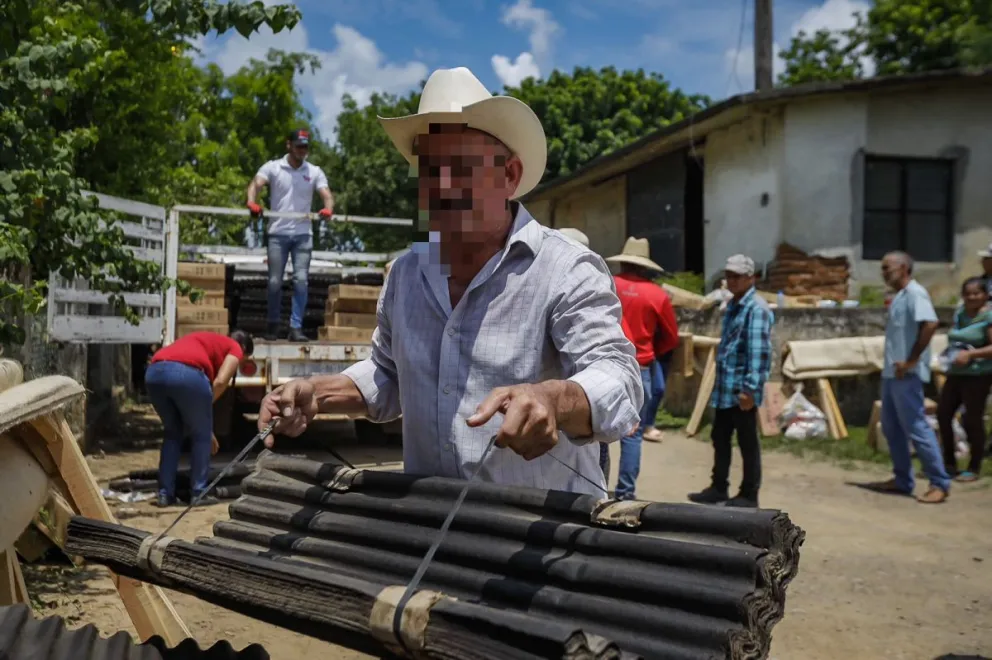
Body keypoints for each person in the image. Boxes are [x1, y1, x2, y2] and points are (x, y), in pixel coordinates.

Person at [255, 67, 643, 496]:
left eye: (461, 166)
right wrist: (319, 392)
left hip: (536, 538)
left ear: (509, 176)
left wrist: (555, 398)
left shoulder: (564, 269)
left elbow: (619, 376)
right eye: (428, 168)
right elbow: (389, 373)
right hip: (430, 527)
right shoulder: (406, 275)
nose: (440, 185)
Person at [688, 254, 773, 508]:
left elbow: (758, 353)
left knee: (747, 442)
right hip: (725, 387)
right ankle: (718, 487)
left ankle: (749, 493)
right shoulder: (734, 305)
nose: (732, 281)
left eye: (737, 276)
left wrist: (751, 388)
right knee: (720, 437)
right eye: (729, 276)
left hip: (741, 389)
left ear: (751, 278)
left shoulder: (756, 308)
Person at [600, 237, 679, 500]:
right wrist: (650, 349)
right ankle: (625, 494)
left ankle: (594, 488)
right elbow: (671, 337)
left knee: (595, 432)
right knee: (632, 435)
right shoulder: (658, 295)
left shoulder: (607, 283)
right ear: (646, 266)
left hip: (600, 367)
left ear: (623, 262)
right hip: (640, 368)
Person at [870, 251, 951, 503]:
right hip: (893, 373)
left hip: (907, 373)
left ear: (904, 268)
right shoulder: (900, 297)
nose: (884, 274)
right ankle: (903, 479)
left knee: (916, 427)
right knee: (892, 428)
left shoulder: (916, 293)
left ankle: (939, 482)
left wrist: (912, 360)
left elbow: (930, 324)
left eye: (888, 269)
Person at [145, 330, 254, 507]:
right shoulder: (235, 347)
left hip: (154, 373)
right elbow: (220, 382)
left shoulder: (206, 339)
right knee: (202, 436)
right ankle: (199, 492)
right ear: (243, 348)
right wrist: (204, 409)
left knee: (173, 433)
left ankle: (165, 494)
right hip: (187, 374)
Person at [246, 129, 335, 342]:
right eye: (299, 146)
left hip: (303, 234)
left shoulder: (314, 171)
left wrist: (328, 208)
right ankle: (273, 325)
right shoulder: (274, 167)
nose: (302, 150)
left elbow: (327, 195)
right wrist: (252, 202)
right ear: (289, 145)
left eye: (305, 146)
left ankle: (296, 328)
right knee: (275, 282)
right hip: (277, 233)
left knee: (301, 280)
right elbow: (255, 184)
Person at [937, 277, 992, 482]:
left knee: (972, 418)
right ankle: (949, 462)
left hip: (978, 375)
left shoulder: (988, 317)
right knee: (943, 414)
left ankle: (974, 466)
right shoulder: (960, 314)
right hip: (956, 373)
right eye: (967, 293)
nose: (971, 297)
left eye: (976, 293)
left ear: (985, 295)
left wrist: (971, 355)